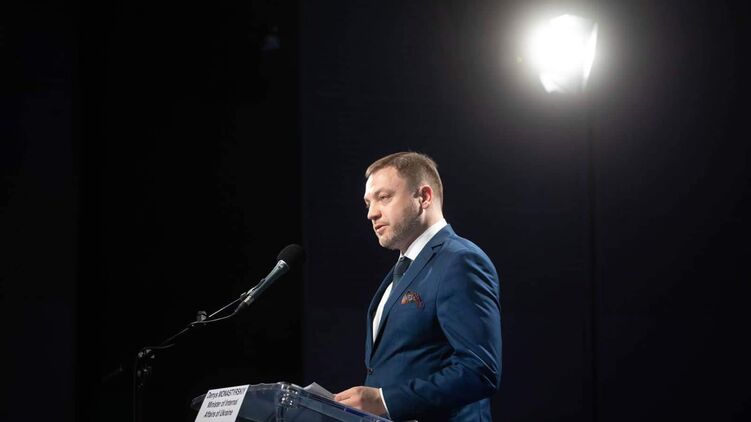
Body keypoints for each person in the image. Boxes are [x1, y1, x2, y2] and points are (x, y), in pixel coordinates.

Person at [334, 151, 502, 421]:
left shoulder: (460, 261)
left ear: (423, 197)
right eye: (368, 203)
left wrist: (385, 400)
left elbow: (479, 371)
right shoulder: (402, 271)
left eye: (383, 197)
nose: (371, 213)